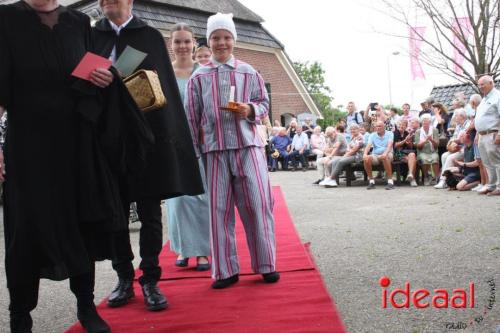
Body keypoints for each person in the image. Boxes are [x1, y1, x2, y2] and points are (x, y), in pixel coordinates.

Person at [0, 0, 121, 331]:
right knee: (25, 229)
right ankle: (20, 314)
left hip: (77, 143)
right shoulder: (5, 18)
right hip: (27, 146)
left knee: (82, 220)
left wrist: (102, 78)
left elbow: (86, 77)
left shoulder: (80, 21)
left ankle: (86, 306)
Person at [93, 0, 204, 311]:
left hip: (146, 138)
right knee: (115, 212)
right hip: (107, 138)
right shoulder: (91, 35)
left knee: (150, 213)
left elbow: (162, 87)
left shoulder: (149, 36)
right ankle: (124, 278)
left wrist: (116, 74)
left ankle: (151, 278)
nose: (108, 2)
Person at [185, 12, 279, 289]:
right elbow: (192, 117)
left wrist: (250, 110)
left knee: (258, 205)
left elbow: (263, 104)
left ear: (233, 40)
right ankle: (225, 270)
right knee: (218, 210)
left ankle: (266, 264)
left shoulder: (249, 72)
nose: (221, 43)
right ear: (209, 41)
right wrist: (194, 151)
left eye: (226, 37)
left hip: (248, 148)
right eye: (216, 37)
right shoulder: (198, 77)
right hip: (213, 151)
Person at [165, 23, 211, 272]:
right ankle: (183, 247)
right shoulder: (163, 73)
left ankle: (203, 251)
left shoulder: (203, 72)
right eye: (177, 41)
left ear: (193, 43)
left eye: (186, 41)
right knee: (178, 199)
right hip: (173, 144)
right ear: (170, 44)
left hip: (201, 143)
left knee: (201, 196)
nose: (182, 46)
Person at [475, 75, 500, 196]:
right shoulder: (484, 99)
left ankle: (499, 187)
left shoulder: (498, 96)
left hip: (493, 133)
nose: (480, 87)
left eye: (482, 84)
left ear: (491, 82)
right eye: (479, 85)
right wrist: (477, 135)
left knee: (497, 161)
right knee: (487, 162)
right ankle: (491, 185)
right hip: (482, 135)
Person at [363, 120, 395, 190]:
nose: (378, 128)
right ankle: (371, 181)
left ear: (384, 127)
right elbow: (368, 145)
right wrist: (365, 154)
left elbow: (390, 145)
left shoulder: (390, 133)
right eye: (377, 126)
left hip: (388, 153)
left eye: (380, 126)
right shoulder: (372, 135)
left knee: (385, 157)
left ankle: (390, 182)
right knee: (367, 158)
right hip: (376, 154)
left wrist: (385, 154)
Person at [415, 116, 440, 186]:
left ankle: (436, 178)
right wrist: (425, 141)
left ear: (430, 123)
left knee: (435, 158)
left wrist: (431, 140)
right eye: (424, 123)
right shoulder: (418, 131)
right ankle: (426, 177)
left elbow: (437, 145)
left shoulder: (435, 130)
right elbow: (418, 145)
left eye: (427, 123)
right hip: (422, 151)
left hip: (433, 151)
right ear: (421, 124)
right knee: (424, 159)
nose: (425, 125)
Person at [393, 120, 418, 187]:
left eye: (403, 125)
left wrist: (409, 143)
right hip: (397, 153)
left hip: (406, 152)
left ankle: (410, 174)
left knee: (412, 155)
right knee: (413, 160)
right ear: (397, 126)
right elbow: (395, 145)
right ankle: (412, 179)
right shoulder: (395, 133)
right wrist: (404, 141)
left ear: (406, 126)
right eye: (400, 124)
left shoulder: (407, 133)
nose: (401, 126)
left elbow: (411, 147)